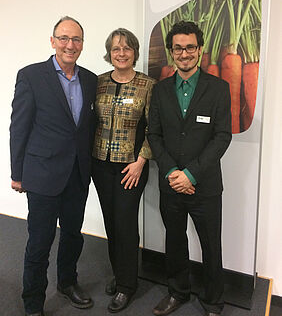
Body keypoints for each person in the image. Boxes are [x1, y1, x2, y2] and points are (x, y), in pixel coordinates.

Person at [10, 16, 97, 316]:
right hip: (43, 174)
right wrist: (17, 173)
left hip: (76, 175)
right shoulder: (32, 76)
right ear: (52, 41)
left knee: (73, 234)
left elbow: (87, 128)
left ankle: (67, 282)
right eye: (64, 38)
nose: (69, 45)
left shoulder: (90, 79)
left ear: (82, 45)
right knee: (39, 241)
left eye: (76, 40)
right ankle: (33, 301)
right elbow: (18, 127)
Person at [148, 21, 232, 316]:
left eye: (190, 47)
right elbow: (153, 135)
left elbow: (223, 136)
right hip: (171, 184)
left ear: (199, 49)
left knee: (211, 246)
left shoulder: (219, 88)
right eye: (178, 48)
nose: (184, 53)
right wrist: (173, 172)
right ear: (172, 52)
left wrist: (191, 174)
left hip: (204, 185)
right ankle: (177, 292)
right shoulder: (159, 91)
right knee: (174, 240)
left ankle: (213, 301)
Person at [92, 28, 156, 313]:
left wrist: (141, 161)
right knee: (111, 224)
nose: (121, 53)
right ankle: (120, 276)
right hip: (100, 165)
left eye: (126, 48)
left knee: (126, 224)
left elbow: (155, 129)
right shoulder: (99, 83)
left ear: (134, 52)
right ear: (109, 53)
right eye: (116, 49)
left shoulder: (147, 85)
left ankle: (127, 286)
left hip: (132, 167)